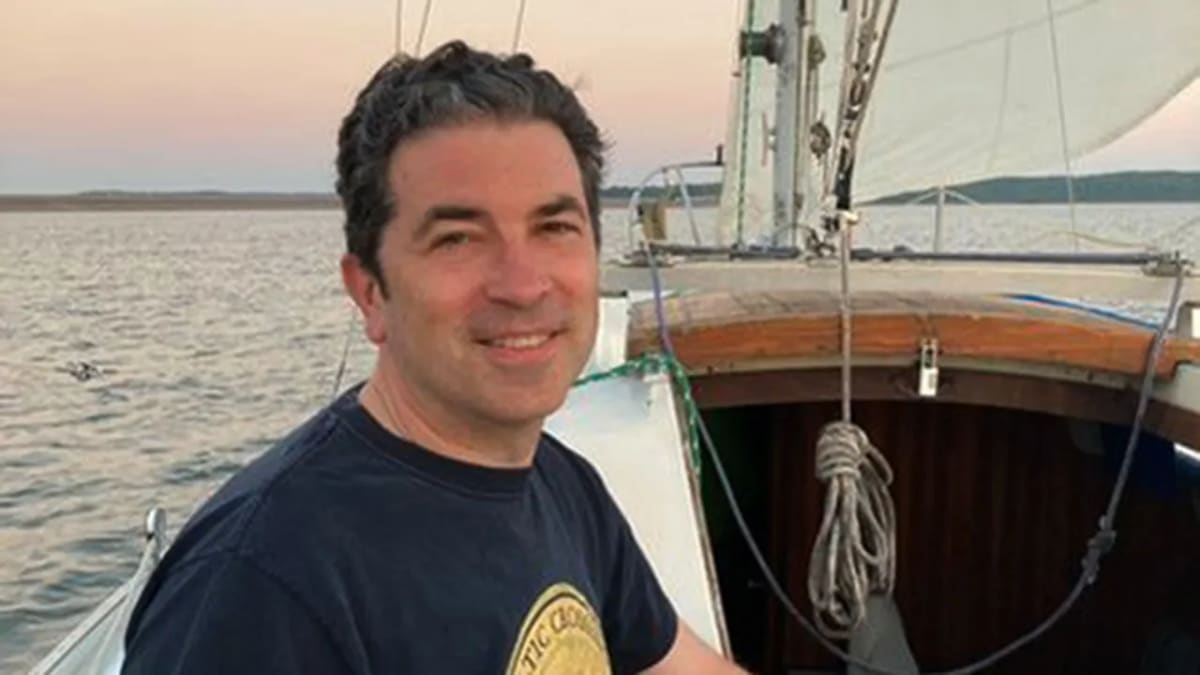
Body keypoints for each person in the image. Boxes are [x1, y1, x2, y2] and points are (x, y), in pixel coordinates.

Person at [122, 40, 747, 674]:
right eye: (458, 240)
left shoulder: (563, 487)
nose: (523, 284)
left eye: (554, 227)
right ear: (370, 291)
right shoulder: (264, 584)